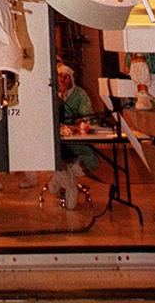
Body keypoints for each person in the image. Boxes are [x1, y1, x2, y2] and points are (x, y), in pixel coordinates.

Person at [46, 62, 99, 210]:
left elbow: (88, 116)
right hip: (54, 140)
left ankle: (60, 179)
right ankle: (68, 186)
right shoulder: (50, 94)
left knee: (87, 160)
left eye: (66, 77)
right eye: (59, 76)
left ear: (71, 79)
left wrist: (77, 124)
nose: (62, 79)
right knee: (57, 156)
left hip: (75, 139)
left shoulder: (79, 95)